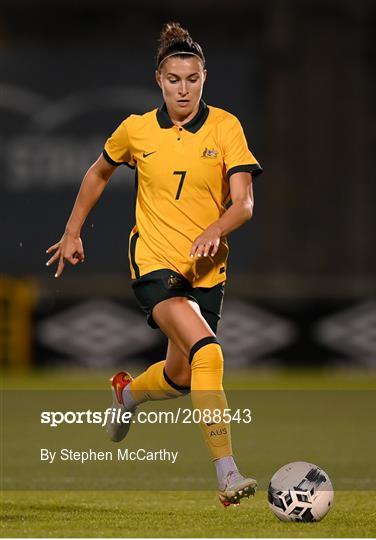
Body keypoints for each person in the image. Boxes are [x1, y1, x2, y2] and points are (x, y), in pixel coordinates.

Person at [46, 22, 262, 506]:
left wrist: (216, 229)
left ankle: (128, 394)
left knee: (183, 376)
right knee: (210, 353)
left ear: (205, 77)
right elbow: (99, 171)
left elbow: (244, 203)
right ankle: (227, 475)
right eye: (173, 79)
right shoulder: (136, 129)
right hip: (154, 263)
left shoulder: (226, 127)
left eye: (192, 79)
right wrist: (73, 229)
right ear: (158, 80)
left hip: (207, 269)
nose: (182, 89)